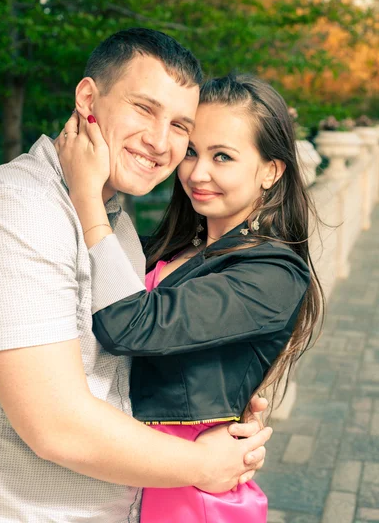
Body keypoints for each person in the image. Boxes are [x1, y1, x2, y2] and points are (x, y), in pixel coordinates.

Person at [0, 29, 271, 523]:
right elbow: (55, 424)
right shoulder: (20, 208)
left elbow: (116, 373)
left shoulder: (115, 219)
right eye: (143, 108)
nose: (160, 142)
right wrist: (203, 464)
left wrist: (213, 403)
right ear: (88, 98)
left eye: (180, 125)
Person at [57, 73, 324, 522]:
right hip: (138, 471)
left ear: (270, 170)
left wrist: (85, 194)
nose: (197, 173)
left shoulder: (273, 273)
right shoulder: (173, 248)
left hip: (191, 493)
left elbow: (131, 325)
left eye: (223, 156)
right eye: (193, 152)